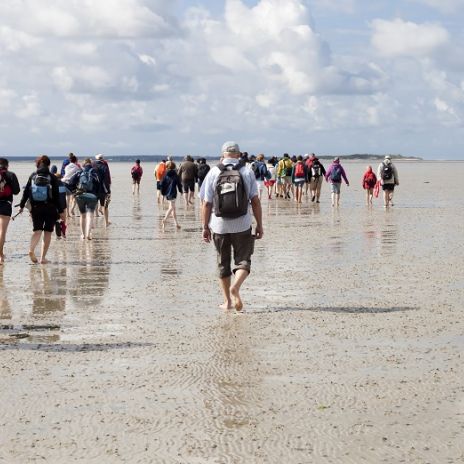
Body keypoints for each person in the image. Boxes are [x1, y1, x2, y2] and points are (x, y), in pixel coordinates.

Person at [200, 141, 263, 312]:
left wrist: (205, 227)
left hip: (219, 226)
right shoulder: (246, 171)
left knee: (223, 263)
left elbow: (206, 203)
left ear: (223, 154)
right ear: (239, 154)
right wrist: (259, 225)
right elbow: (255, 202)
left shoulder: (214, 172)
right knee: (243, 260)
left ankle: (227, 301)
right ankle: (236, 286)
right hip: (242, 224)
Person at [19, 155, 65, 264]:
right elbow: (56, 196)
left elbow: (26, 193)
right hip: (50, 208)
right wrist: (61, 211)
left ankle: (31, 250)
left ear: (38, 164)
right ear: (48, 165)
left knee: (37, 230)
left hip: (35, 208)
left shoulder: (33, 176)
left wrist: (21, 206)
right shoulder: (52, 177)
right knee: (48, 232)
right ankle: (43, 258)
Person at [0, 158, 21, 264]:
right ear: (7, 166)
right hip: (5, 205)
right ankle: (0, 256)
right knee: (2, 232)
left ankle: (1, 253)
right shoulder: (10, 175)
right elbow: (17, 191)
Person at [75, 159, 100, 239]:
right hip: (92, 196)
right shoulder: (94, 172)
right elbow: (99, 184)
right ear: (91, 164)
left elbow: (71, 182)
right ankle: (88, 234)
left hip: (80, 195)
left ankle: (83, 234)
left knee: (82, 215)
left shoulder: (79, 172)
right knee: (90, 215)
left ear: (83, 164)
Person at [160, 161, 182, 229]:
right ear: (174, 167)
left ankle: (176, 224)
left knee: (173, 208)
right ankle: (164, 220)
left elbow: (162, 184)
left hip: (167, 193)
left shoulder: (165, 174)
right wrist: (181, 191)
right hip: (173, 193)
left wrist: (162, 192)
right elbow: (179, 184)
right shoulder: (175, 175)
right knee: (171, 208)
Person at [94, 153, 111, 226]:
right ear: (102, 159)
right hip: (102, 190)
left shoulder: (92, 166)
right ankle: (106, 222)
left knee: (93, 205)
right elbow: (106, 180)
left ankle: (92, 222)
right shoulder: (104, 167)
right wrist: (108, 191)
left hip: (94, 190)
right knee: (105, 206)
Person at [50, 165, 67, 239]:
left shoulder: (52, 185)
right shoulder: (63, 185)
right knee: (62, 220)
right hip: (63, 205)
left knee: (55, 219)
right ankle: (61, 233)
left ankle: (57, 235)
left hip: (54, 205)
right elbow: (69, 193)